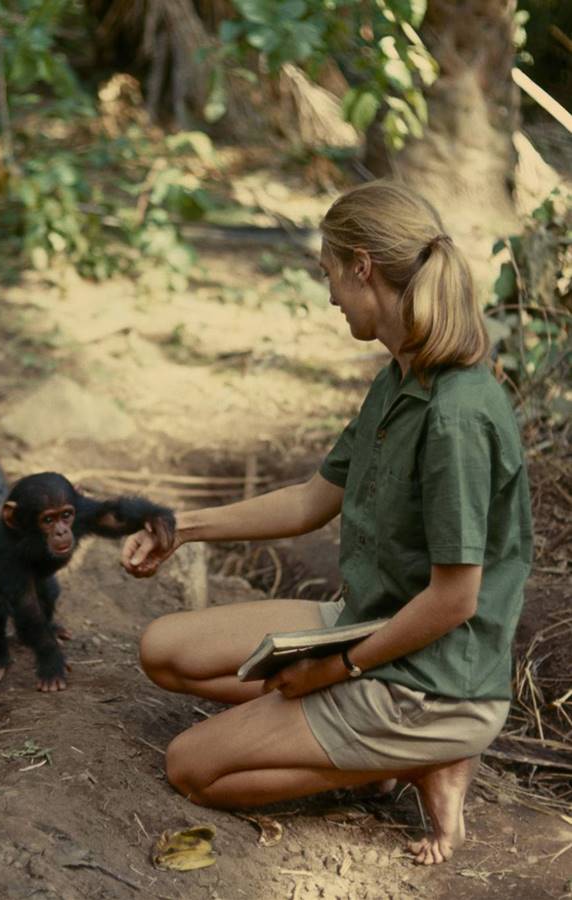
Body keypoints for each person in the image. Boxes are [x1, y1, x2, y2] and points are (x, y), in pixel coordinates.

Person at [121, 180, 532, 866]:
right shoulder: (401, 378)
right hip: (373, 624)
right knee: (164, 648)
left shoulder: (457, 415)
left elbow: (456, 598)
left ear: (363, 266)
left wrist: (336, 668)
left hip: (433, 680)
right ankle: (382, 745)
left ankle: (418, 753)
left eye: (330, 274)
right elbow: (314, 499)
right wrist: (182, 527)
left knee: (191, 767)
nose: (331, 293)